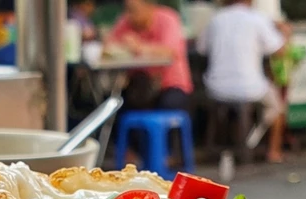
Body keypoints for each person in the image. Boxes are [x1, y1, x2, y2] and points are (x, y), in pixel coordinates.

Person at [198, 0, 286, 162]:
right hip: (251, 88)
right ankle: (272, 151)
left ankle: (234, 144)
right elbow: (279, 49)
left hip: (216, 87)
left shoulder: (215, 19)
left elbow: (201, 49)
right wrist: (284, 31)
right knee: (277, 107)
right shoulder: (258, 19)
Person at [108, 0, 194, 111]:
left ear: (149, 6)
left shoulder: (168, 19)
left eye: (133, 10)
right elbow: (108, 45)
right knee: (115, 105)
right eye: (127, 9)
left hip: (169, 85)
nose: (129, 15)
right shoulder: (126, 21)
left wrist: (139, 47)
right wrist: (121, 46)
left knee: (169, 107)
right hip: (139, 86)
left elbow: (170, 51)